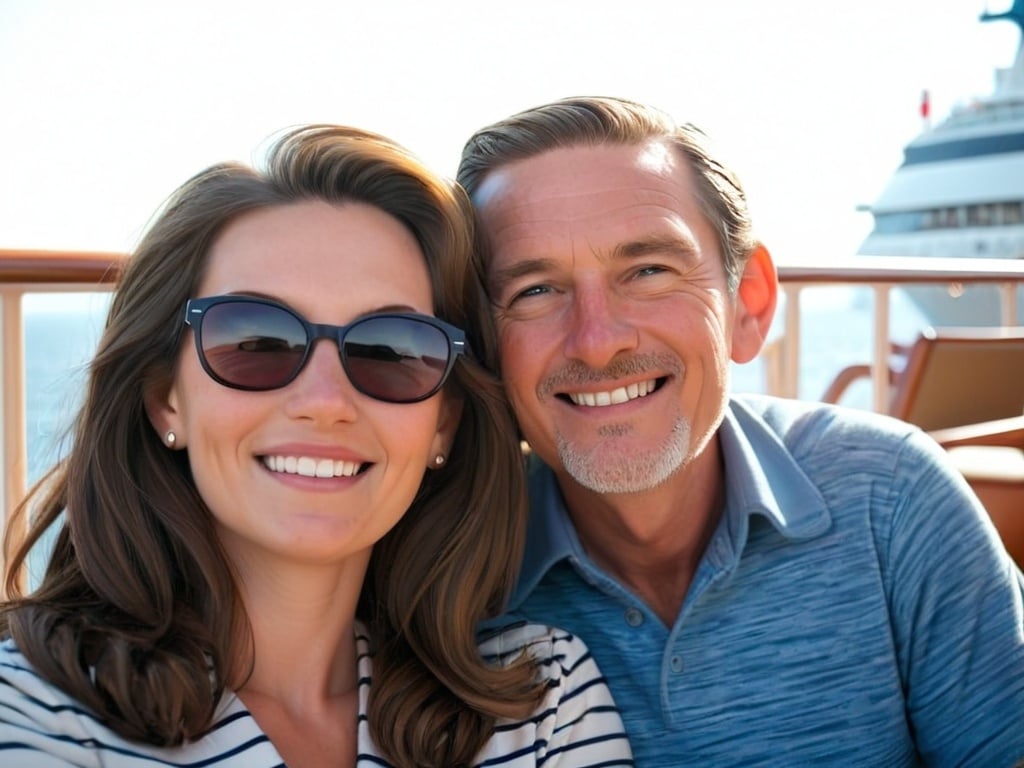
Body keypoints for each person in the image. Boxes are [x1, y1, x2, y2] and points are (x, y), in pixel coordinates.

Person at [0, 124, 633, 767]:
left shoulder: (541, 707)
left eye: (392, 350)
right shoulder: (26, 709)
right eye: (256, 341)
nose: (325, 401)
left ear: (444, 421)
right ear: (167, 397)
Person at [457, 96, 1024, 766]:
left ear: (747, 304)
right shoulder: (450, 582)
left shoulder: (892, 499)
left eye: (647, 271)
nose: (598, 341)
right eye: (535, 291)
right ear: (484, 346)